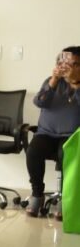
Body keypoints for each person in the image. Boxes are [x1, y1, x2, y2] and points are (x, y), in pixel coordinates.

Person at [24, 46, 80, 219]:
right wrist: (53, 81)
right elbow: (39, 102)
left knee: (66, 155)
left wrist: (76, 84)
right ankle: (37, 195)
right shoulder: (51, 81)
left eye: (75, 64)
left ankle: (66, 199)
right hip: (46, 133)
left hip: (72, 136)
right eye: (66, 63)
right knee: (33, 151)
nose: (70, 68)